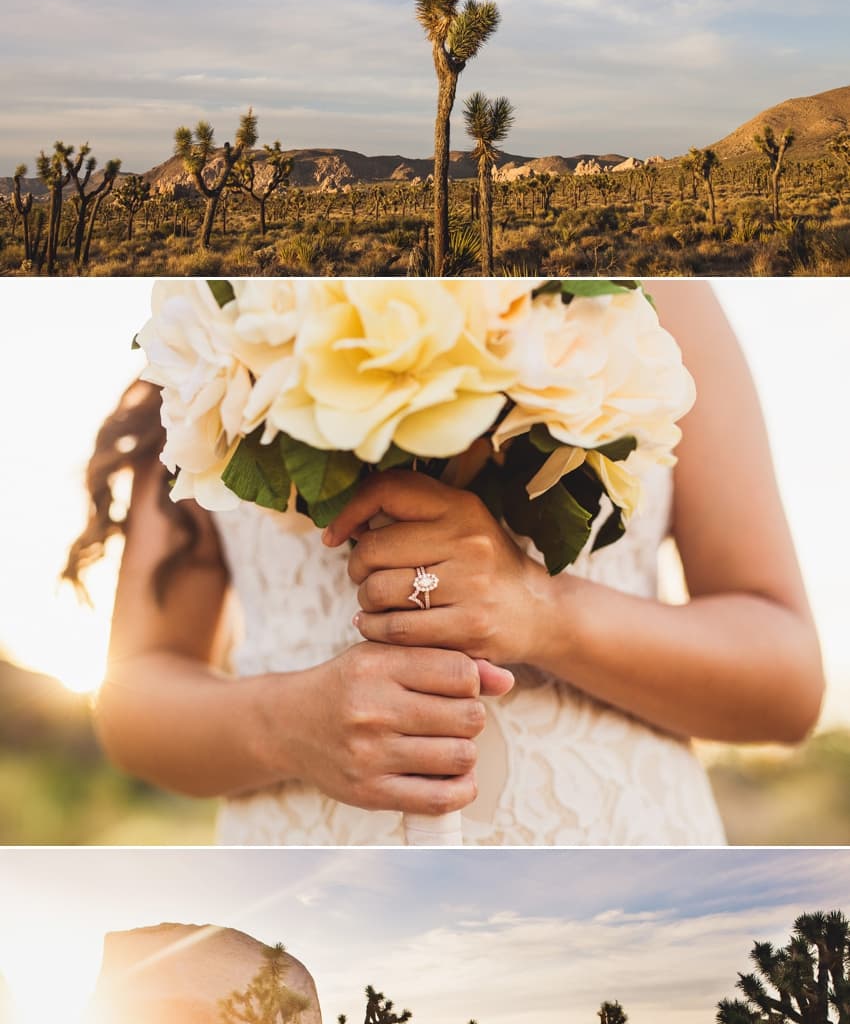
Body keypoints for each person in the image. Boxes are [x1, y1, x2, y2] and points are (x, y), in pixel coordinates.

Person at [66, 281, 825, 845]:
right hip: (306, 886)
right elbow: (135, 696)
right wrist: (284, 725)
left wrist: (543, 611)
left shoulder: (660, 295)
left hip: (619, 863)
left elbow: (786, 678)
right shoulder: (220, 321)